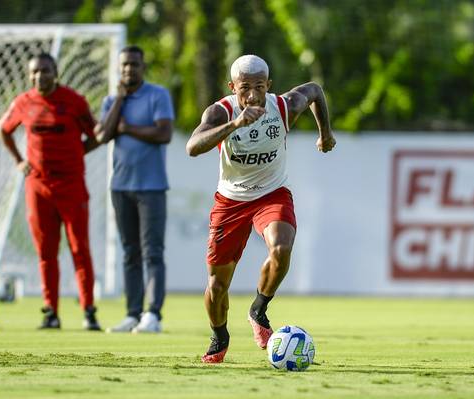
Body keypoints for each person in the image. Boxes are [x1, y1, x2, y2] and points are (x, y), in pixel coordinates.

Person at [186, 55, 336, 363]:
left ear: (268, 85)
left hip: (272, 195)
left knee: (281, 249)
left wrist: (325, 133)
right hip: (230, 202)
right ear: (232, 87)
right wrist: (235, 124)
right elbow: (192, 147)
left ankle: (259, 309)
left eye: (259, 87)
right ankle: (220, 337)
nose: (252, 95)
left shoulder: (282, 107)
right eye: (244, 88)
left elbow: (315, 91)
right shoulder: (220, 111)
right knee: (217, 285)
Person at [0, 53, 102, 331]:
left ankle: (89, 310)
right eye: (34, 72)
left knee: (80, 248)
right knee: (46, 251)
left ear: (56, 73)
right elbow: (2, 130)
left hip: (71, 185)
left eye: (44, 71)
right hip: (38, 186)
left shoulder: (74, 101)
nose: (39, 76)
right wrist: (19, 160)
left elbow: (96, 134)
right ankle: (50, 312)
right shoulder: (23, 102)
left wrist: (78, 152)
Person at [95, 45, 174, 333]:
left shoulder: (158, 95)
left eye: (134, 65)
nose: (129, 69)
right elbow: (103, 134)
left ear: (143, 66)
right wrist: (119, 100)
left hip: (151, 187)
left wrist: (127, 129)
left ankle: (153, 314)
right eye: (124, 65)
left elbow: (163, 133)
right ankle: (132, 312)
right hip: (120, 186)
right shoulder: (111, 101)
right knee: (130, 252)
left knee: (152, 251)